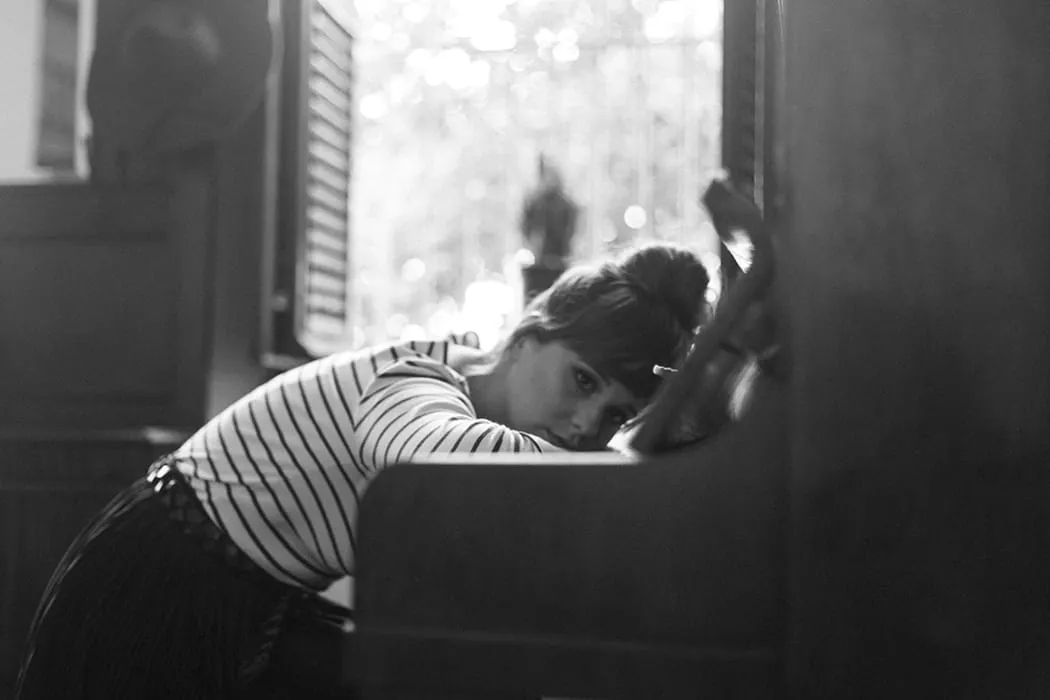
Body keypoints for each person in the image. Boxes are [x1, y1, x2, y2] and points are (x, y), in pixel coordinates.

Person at [15, 242, 709, 699]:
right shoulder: (418, 380)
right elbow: (425, 461)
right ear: (528, 338)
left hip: (239, 585)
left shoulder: (477, 396)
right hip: (168, 577)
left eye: (614, 413)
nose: (587, 426)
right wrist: (620, 474)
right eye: (582, 382)